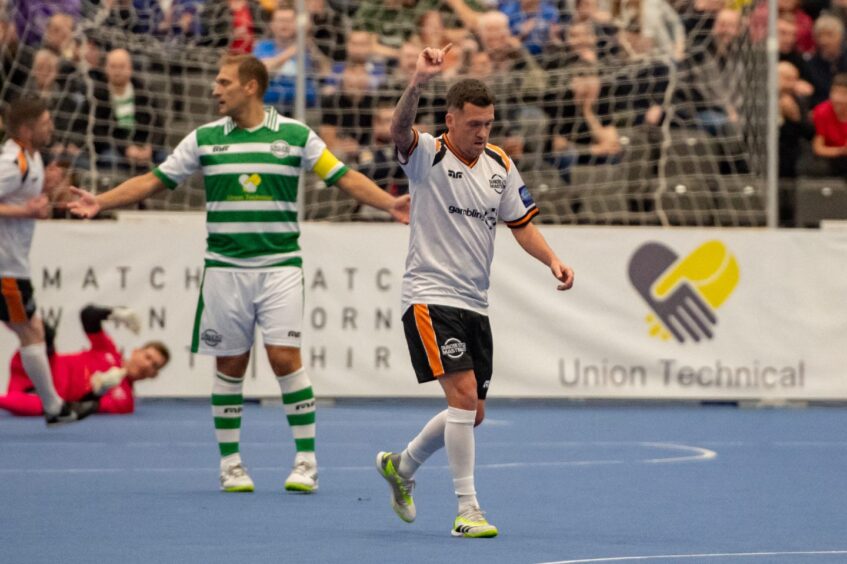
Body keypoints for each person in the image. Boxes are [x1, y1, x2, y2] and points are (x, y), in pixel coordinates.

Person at [68, 54, 410, 494]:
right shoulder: (204, 139)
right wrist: (101, 201)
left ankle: (306, 461)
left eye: (223, 81)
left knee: (285, 358)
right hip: (224, 271)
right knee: (230, 365)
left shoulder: (294, 135)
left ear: (250, 86)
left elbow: (342, 176)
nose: (214, 89)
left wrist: (389, 202)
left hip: (280, 267)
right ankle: (231, 464)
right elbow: (154, 180)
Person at [375, 45, 574, 538]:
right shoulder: (428, 154)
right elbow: (398, 131)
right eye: (474, 125)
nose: (483, 133)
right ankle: (469, 511)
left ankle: (401, 468)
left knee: (473, 413)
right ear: (451, 120)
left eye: (488, 124)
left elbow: (521, 225)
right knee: (462, 397)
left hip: (474, 303)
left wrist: (552, 258)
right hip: (428, 294)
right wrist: (417, 81)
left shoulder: (500, 164)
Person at [0, 96, 97, 426]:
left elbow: (28, 201)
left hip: (14, 264)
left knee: (33, 329)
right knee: (30, 331)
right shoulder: (13, 163)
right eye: (45, 123)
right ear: (27, 129)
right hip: (5, 267)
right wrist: (24, 210)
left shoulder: (35, 160)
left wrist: (44, 197)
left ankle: (55, 407)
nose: (51, 127)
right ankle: (55, 409)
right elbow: (17, 204)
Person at [0, 305, 169, 416]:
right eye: (148, 357)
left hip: (39, 394)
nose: (147, 364)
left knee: (51, 407)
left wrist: (97, 391)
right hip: (37, 364)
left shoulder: (124, 401)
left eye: (154, 366)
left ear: (153, 375)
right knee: (44, 331)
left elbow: (81, 408)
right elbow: (88, 315)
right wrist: (114, 313)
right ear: (136, 351)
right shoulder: (109, 350)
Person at [811, 73, 847, 175]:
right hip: (832, 160)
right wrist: (840, 151)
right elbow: (818, 148)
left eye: (844, 94)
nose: (838, 98)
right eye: (835, 92)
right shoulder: (821, 111)